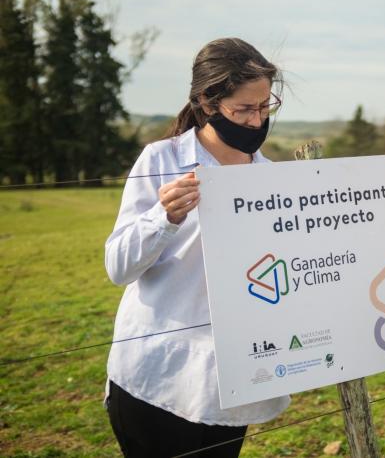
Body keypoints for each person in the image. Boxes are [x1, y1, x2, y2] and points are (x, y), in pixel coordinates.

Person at [104, 37, 289, 457]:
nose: (257, 120)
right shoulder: (160, 161)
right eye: (244, 109)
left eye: (265, 107)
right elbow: (117, 267)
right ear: (208, 101)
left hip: (232, 381)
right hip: (158, 375)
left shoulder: (272, 178)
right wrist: (163, 218)